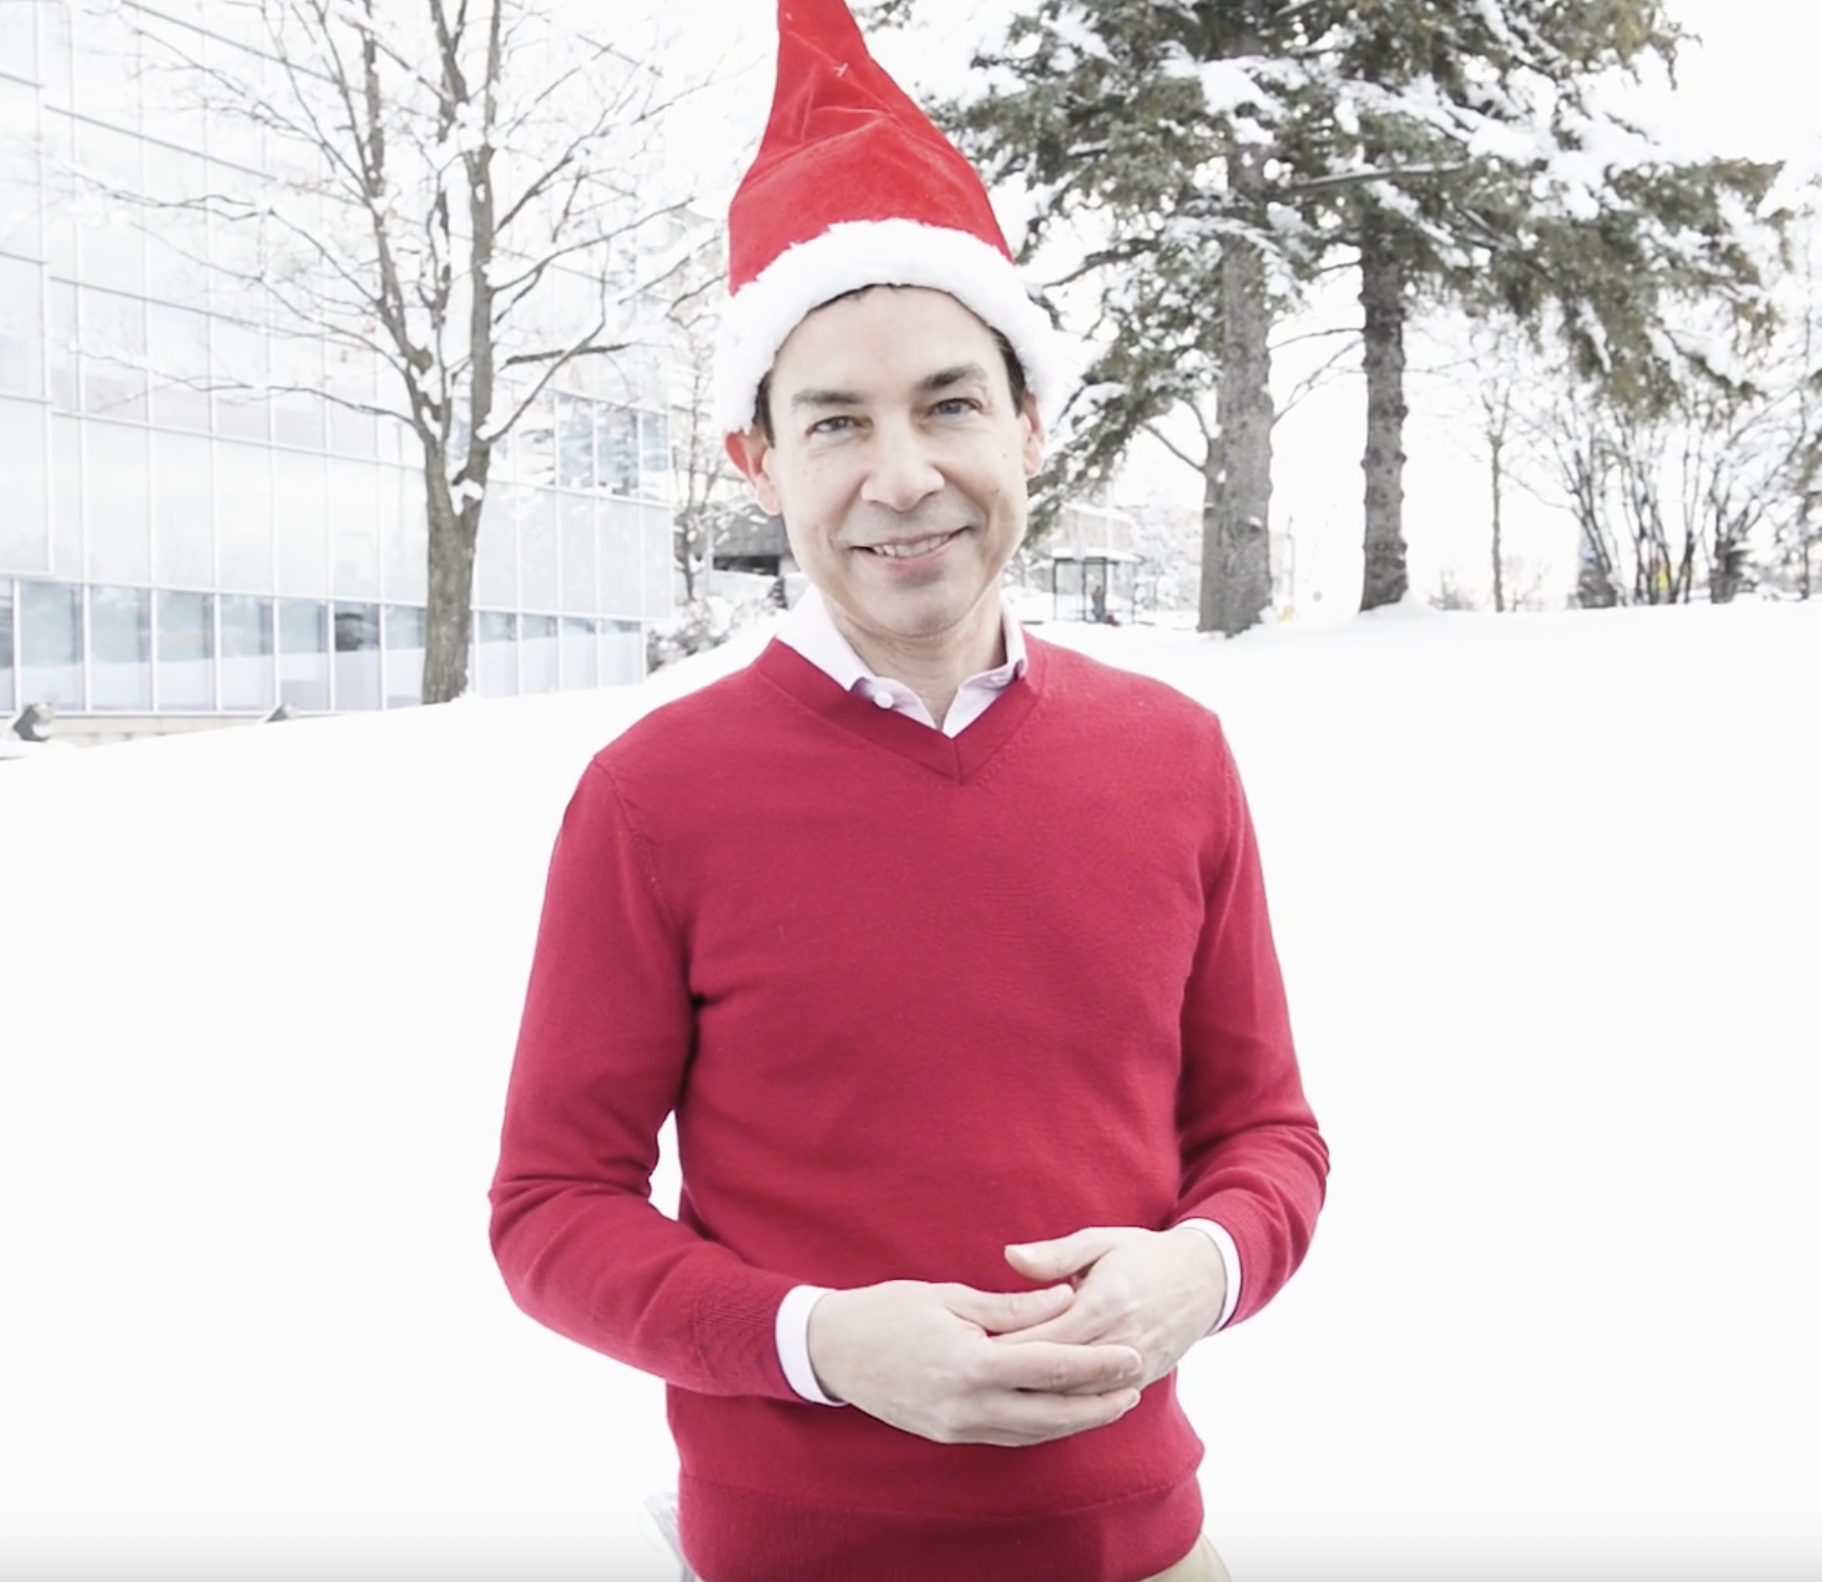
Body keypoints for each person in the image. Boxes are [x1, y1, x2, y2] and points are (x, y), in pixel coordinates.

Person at [488, 4, 1328, 1579]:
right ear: (760, 465)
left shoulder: (1174, 755)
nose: (900, 474)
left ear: (1028, 421)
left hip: (1148, 1546)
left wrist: (1200, 1269)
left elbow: (1265, 1130)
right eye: (835, 422)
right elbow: (549, 1209)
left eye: (947, 401)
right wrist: (817, 1339)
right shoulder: (652, 797)